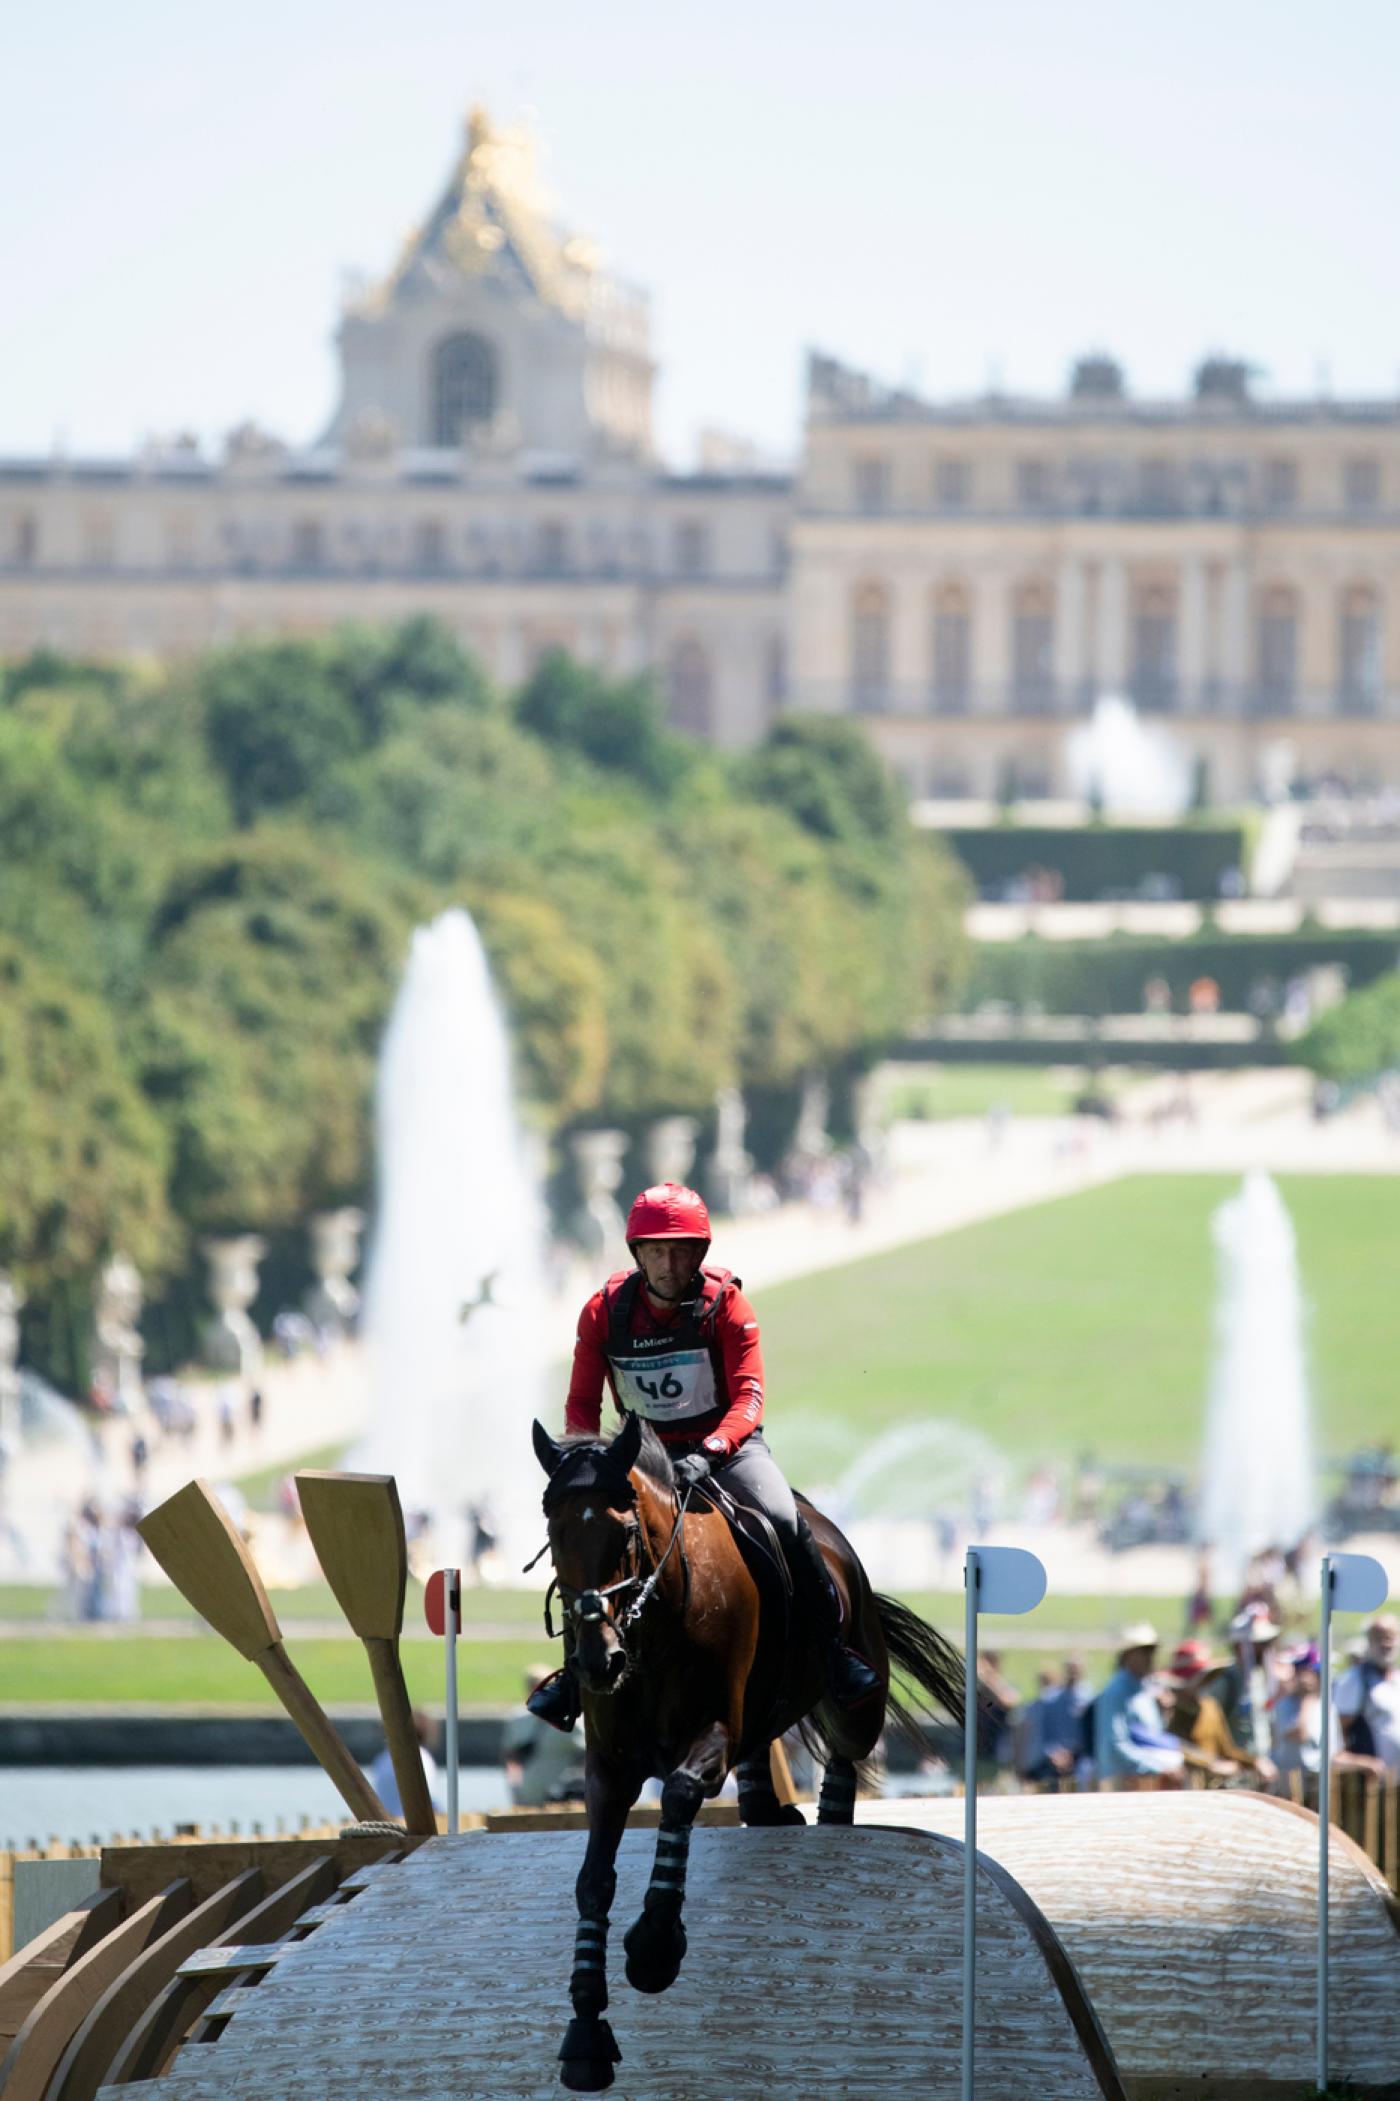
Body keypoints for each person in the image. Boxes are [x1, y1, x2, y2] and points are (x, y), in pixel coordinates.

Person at [529, 1181, 881, 1730]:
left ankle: (832, 1652)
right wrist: (587, 1470)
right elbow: (580, 1406)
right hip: (642, 1458)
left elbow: (749, 1397)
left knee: (786, 1521)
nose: (669, 1264)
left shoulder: (727, 1304)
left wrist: (712, 1450)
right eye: (656, 1251)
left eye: (681, 1251)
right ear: (637, 1255)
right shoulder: (602, 1313)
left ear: (700, 1254)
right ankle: (575, 1675)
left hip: (727, 1451)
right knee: (588, 1544)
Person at [1160, 1639, 1276, 1785]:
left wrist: (1255, 1762)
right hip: (1183, 1785)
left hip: (1211, 1787)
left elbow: (1226, 1748)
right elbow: (1172, 1746)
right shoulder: (1169, 1710)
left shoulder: (1210, 1706)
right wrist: (1211, 1764)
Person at [1093, 1625, 1185, 1785]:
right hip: (1122, 1784)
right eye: (1145, 1651)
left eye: (1152, 1651)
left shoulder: (1145, 1690)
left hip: (1146, 1782)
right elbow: (1115, 1747)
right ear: (1128, 1655)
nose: (1150, 1656)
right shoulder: (1116, 1692)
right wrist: (1159, 1767)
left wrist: (1165, 1713)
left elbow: (1150, 1737)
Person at [502, 1667, 587, 1807]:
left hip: (564, 1798)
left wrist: (576, 1785)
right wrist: (514, 1787)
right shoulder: (517, 1720)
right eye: (532, 1684)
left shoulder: (571, 1722)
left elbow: (587, 1756)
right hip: (527, 1796)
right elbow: (511, 1758)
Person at [1334, 1615, 1400, 1774]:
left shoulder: (1396, 1678)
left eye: (1392, 1637)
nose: (1387, 1644)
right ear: (1369, 1641)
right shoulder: (1354, 1680)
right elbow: (1337, 1731)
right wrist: (1360, 1762)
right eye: (1380, 1638)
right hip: (1371, 1786)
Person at [369, 1708, 445, 1820]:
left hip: (384, 1819)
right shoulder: (422, 1757)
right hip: (410, 1822)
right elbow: (427, 1797)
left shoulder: (382, 1758)